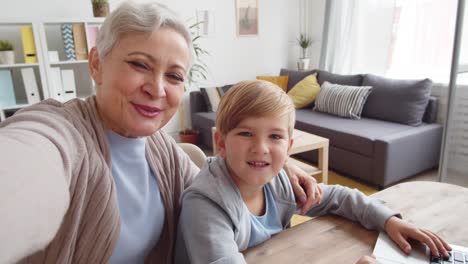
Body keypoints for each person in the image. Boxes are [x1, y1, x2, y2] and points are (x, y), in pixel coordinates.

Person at [0, 2, 321, 264]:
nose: (156, 88)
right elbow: (22, 172)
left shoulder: (162, 152)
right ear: (96, 63)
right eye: (139, 65)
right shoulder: (56, 133)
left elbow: (219, 183)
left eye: (174, 75)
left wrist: (274, 166)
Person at [175, 80, 451, 264]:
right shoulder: (205, 205)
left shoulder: (279, 182)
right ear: (220, 142)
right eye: (246, 133)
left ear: (289, 146)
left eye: (275, 137)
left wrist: (388, 220)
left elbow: (337, 197)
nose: (261, 149)